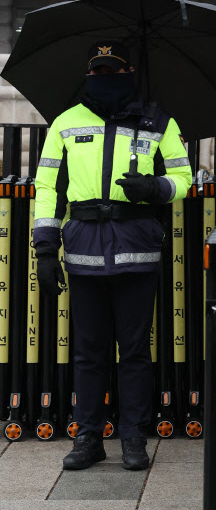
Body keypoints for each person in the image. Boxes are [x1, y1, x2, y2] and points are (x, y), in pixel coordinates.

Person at [34, 41, 192, 471]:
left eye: (113, 71)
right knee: (88, 350)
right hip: (84, 248)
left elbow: (185, 179)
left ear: (129, 72)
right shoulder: (65, 123)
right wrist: (44, 249)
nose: (105, 79)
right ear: (88, 75)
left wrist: (155, 188)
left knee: (135, 350)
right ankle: (88, 436)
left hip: (136, 246)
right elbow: (48, 188)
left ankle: (133, 437)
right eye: (98, 72)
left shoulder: (158, 121)